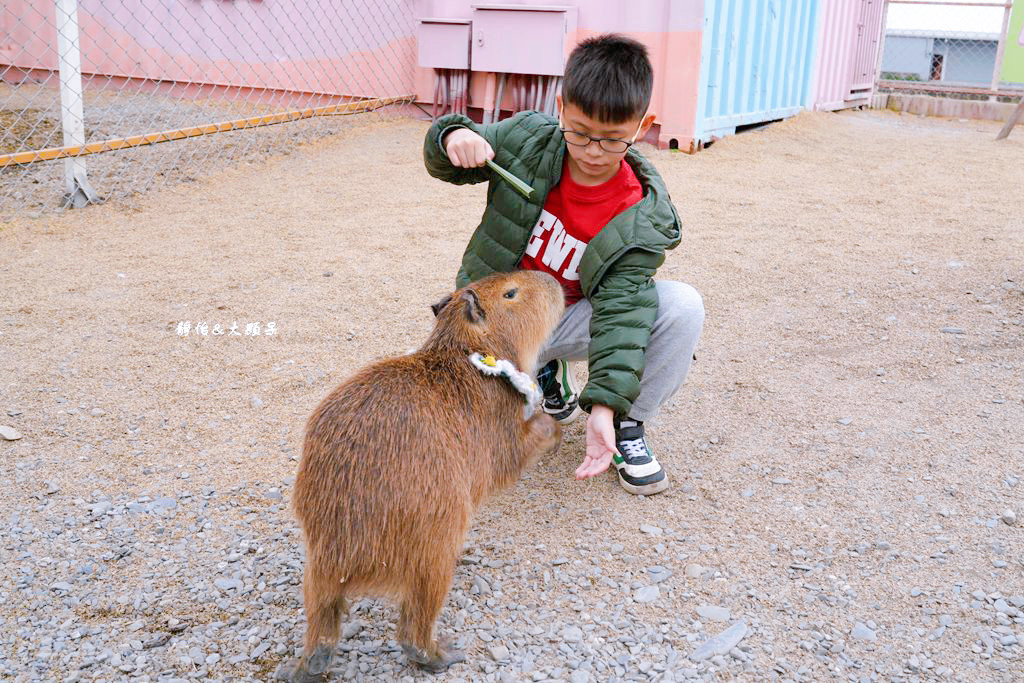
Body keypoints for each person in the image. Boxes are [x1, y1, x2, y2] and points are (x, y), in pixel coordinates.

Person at [423, 34, 704, 495]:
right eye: (579, 131)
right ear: (560, 107)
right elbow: (445, 158)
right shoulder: (528, 139)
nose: (593, 151)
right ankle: (543, 374)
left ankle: (630, 428)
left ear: (643, 125)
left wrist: (608, 408)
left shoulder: (638, 210)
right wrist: (454, 135)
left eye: (612, 140)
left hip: (573, 319)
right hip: (501, 323)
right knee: (457, 433)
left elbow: (622, 314)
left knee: (683, 306)